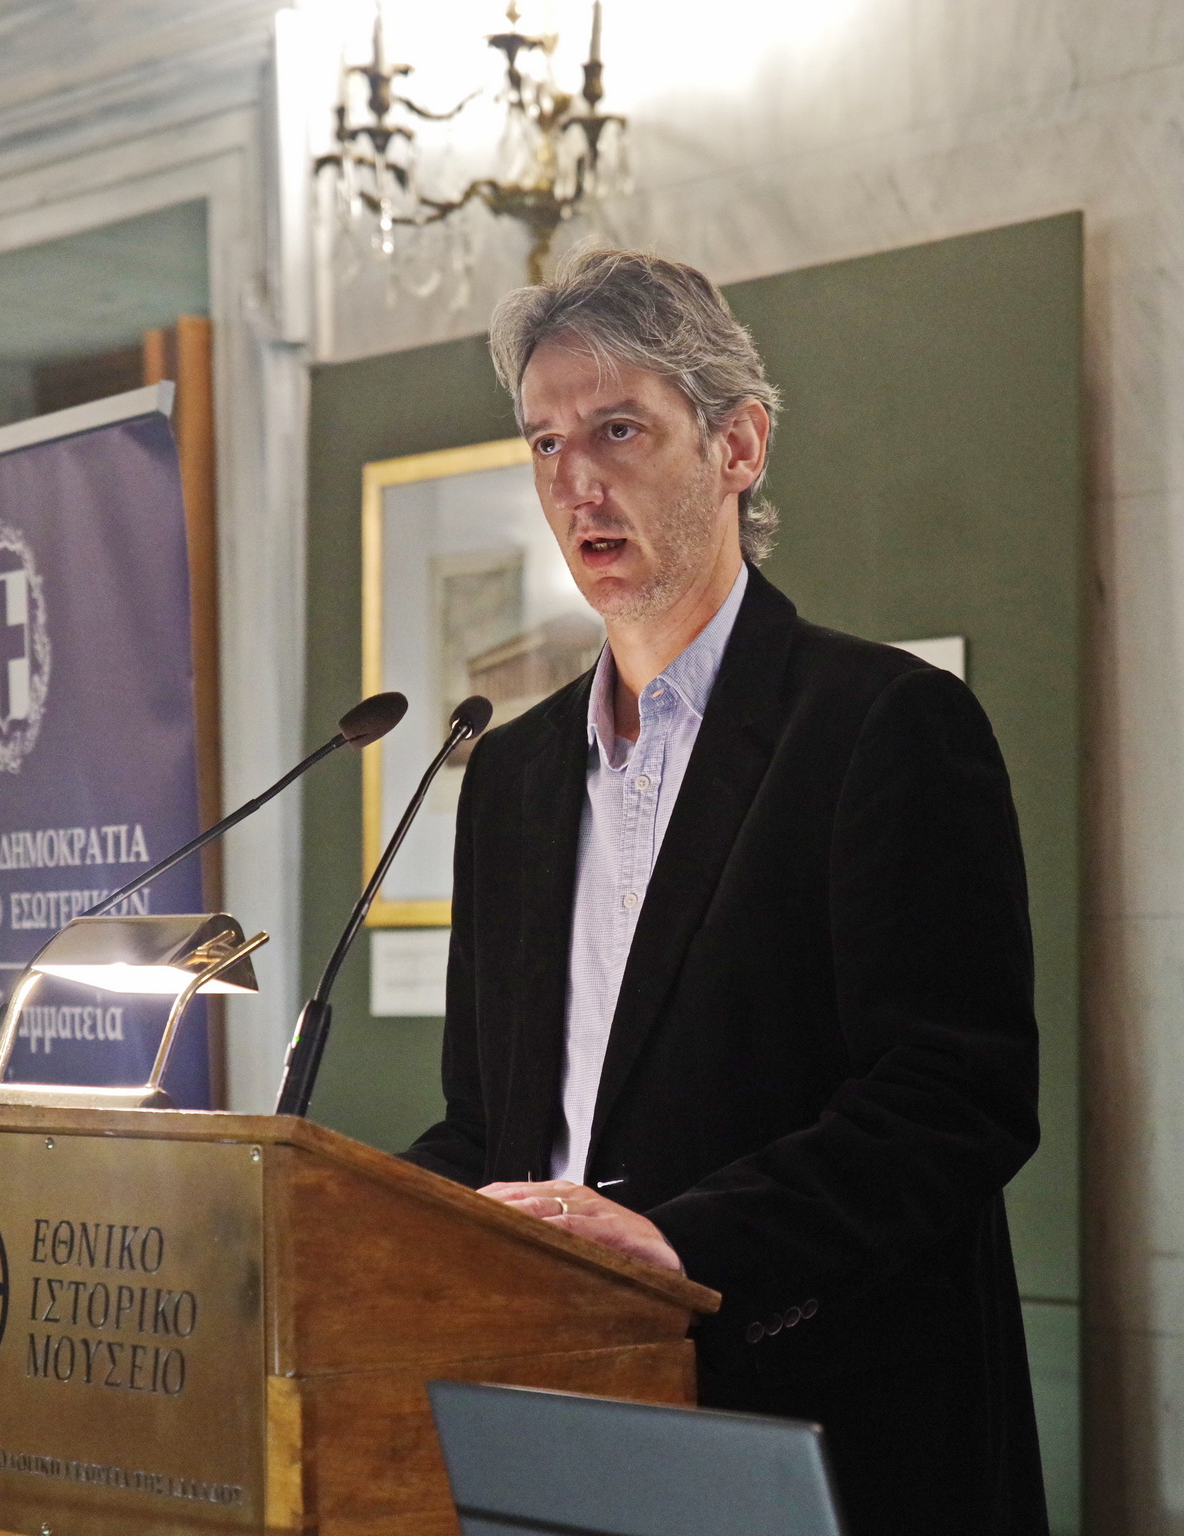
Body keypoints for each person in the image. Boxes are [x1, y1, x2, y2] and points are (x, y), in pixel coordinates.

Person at [403, 248, 1046, 1535]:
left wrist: (683, 1242)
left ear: (738, 446)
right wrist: (340, 1219)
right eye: (545, 444)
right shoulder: (512, 775)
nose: (575, 484)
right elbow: (490, 1128)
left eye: (618, 430)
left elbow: (954, 1100)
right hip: (556, 1411)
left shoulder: (884, 724)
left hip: (819, 1421)